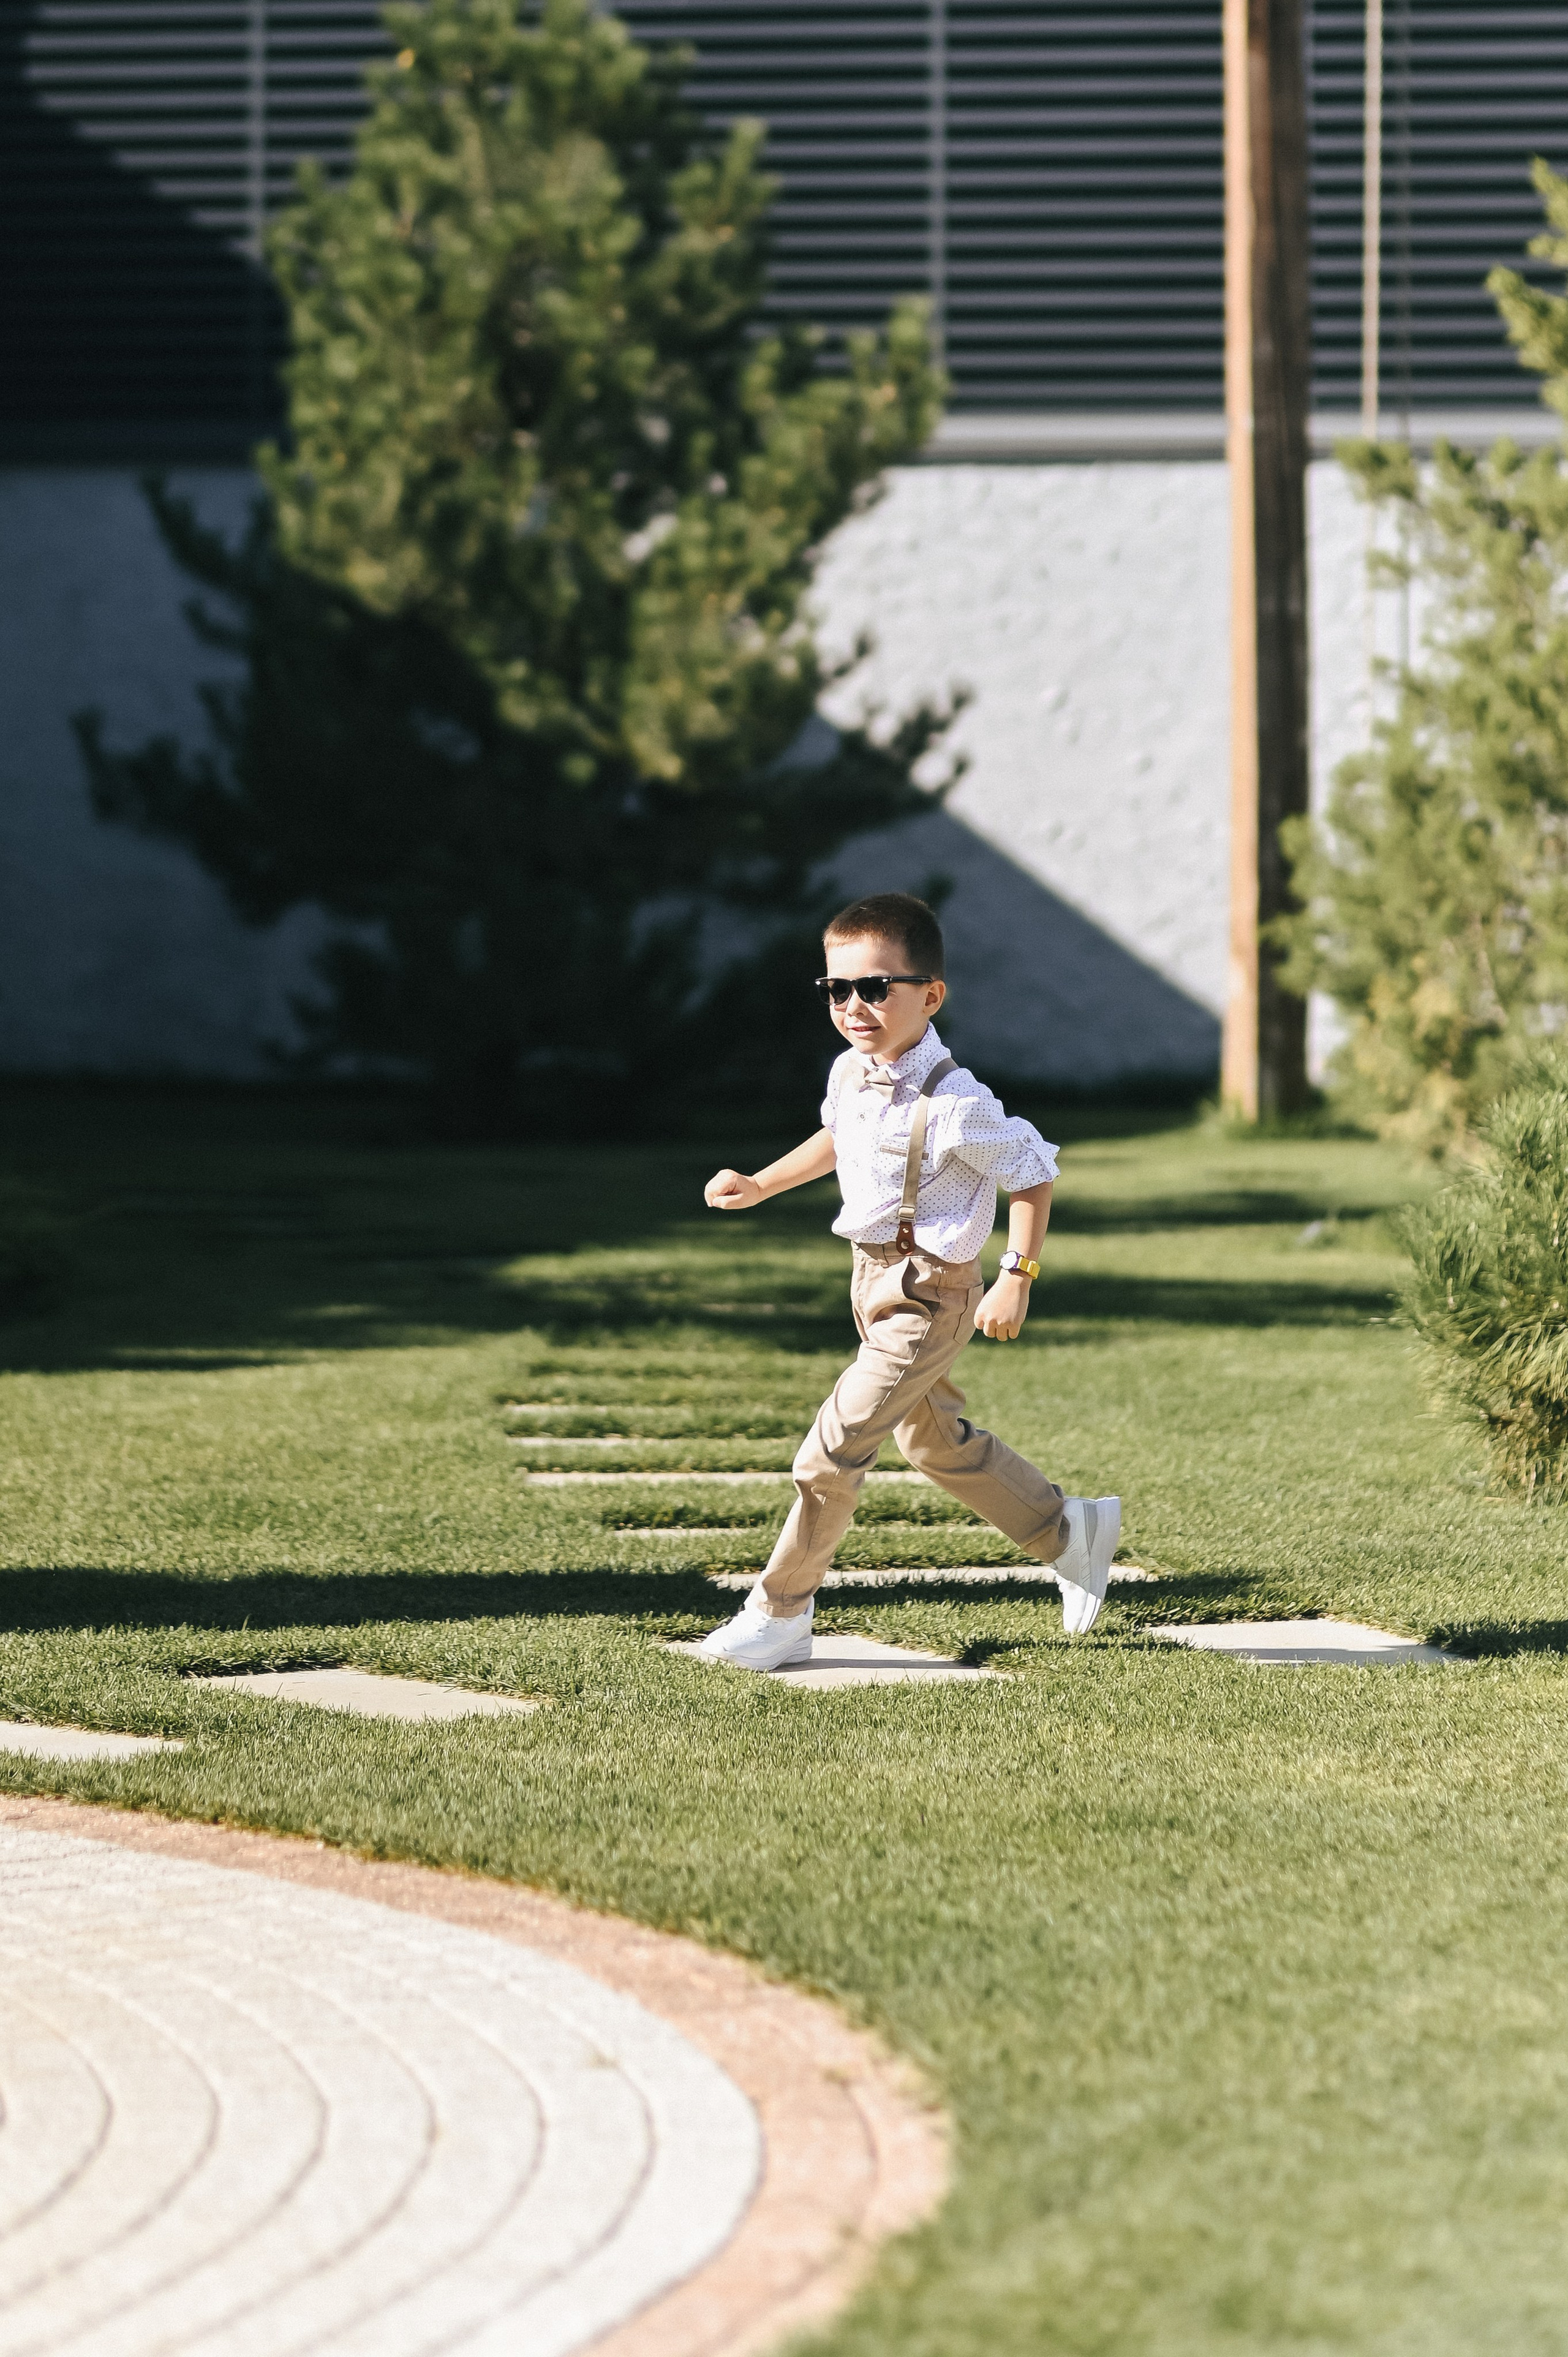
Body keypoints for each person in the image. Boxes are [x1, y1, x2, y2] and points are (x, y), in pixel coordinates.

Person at [698, 891, 1120, 1669]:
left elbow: (1032, 1174)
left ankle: (780, 1610)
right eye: (836, 989)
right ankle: (1070, 1529)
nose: (854, 1006)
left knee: (830, 1451)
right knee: (934, 1445)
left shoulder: (957, 1102)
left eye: (875, 987)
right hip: (870, 1283)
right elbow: (837, 1136)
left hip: (930, 1296)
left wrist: (1015, 1276)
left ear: (929, 994)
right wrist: (761, 1183)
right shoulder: (851, 1072)